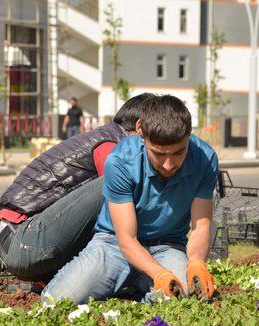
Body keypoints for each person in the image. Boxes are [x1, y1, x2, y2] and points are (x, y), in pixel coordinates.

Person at [42, 94, 219, 304]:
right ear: (141, 132)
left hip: (168, 246)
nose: (169, 164)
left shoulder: (205, 159)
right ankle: (136, 286)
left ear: (189, 135)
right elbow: (127, 240)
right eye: (159, 154)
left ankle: (132, 287)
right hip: (113, 244)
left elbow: (200, 227)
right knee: (56, 301)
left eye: (179, 152)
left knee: (183, 300)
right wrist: (159, 274)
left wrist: (196, 262)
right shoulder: (120, 161)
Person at [0, 93, 155, 283]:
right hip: (22, 240)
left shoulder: (109, 136)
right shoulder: (110, 144)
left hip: (23, 240)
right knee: (116, 181)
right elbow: (122, 197)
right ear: (140, 126)